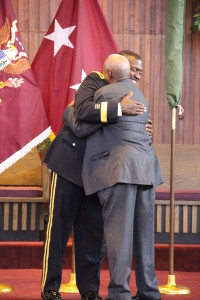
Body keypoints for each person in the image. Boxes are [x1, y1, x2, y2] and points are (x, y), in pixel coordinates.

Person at [41, 52, 148, 300]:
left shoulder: (133, 96)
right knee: (58, 228)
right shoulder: (95, 80)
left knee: (93, 234)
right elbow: (79, 115)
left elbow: (82, 120)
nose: (135, 75)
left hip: (99, 173)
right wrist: (118, 111)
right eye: (133, 69)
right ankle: (50, 287)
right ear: (117, 68)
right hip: (69, 165)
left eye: (138, 72)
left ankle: (89, 290)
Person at [72, 54, 163, 300]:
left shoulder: (105, 94)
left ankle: (120, 293)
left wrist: (70, 112)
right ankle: (149, 291)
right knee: (144, 237)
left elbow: (80, 124)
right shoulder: (140, 94)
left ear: (108, 74)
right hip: (147, 170)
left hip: (120, 171)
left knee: (118, 237)